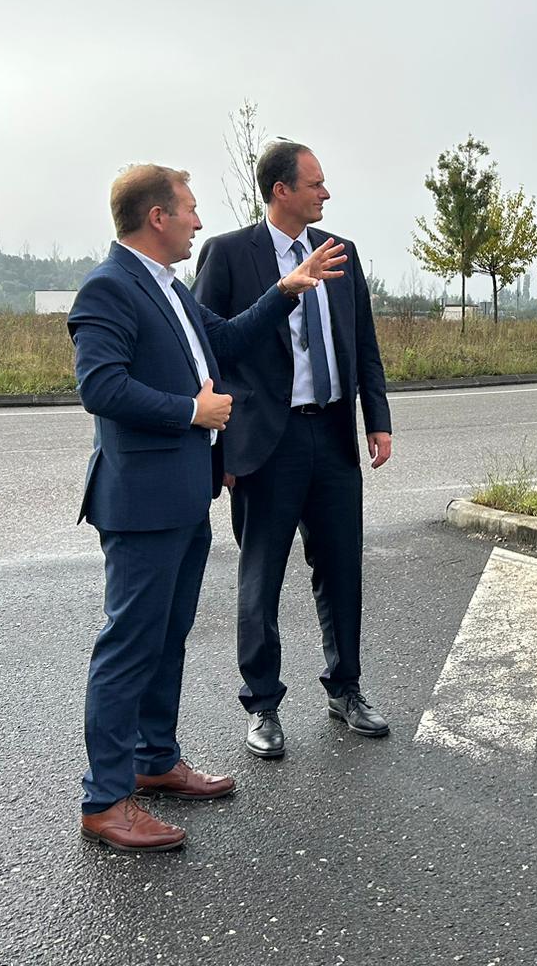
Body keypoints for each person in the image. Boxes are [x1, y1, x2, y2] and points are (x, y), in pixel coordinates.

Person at [70, 163, 346, 851]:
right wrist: (192, 412)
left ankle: (155, 761)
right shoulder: (109, 288)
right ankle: (106, 800)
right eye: (188, 209)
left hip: (186, 495)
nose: (198, 220)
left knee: (167, 640)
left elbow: (220, 341)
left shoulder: (167, 288)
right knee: (128, 647)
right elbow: (101, 388)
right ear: (156, 217)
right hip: (140, 502)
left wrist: (285, 290)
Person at [193, 139, 393, 760]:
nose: (325, 194)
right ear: (281, 190)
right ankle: (263, 706)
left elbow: (363, 343)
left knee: (341, 570)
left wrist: (376, 418)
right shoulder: (228, 254)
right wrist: (219, 447)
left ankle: (346, 688)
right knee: (262, 577)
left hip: (331, 433)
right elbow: (209, 350)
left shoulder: (341, 253)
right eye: (315, 184)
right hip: (265, 444)